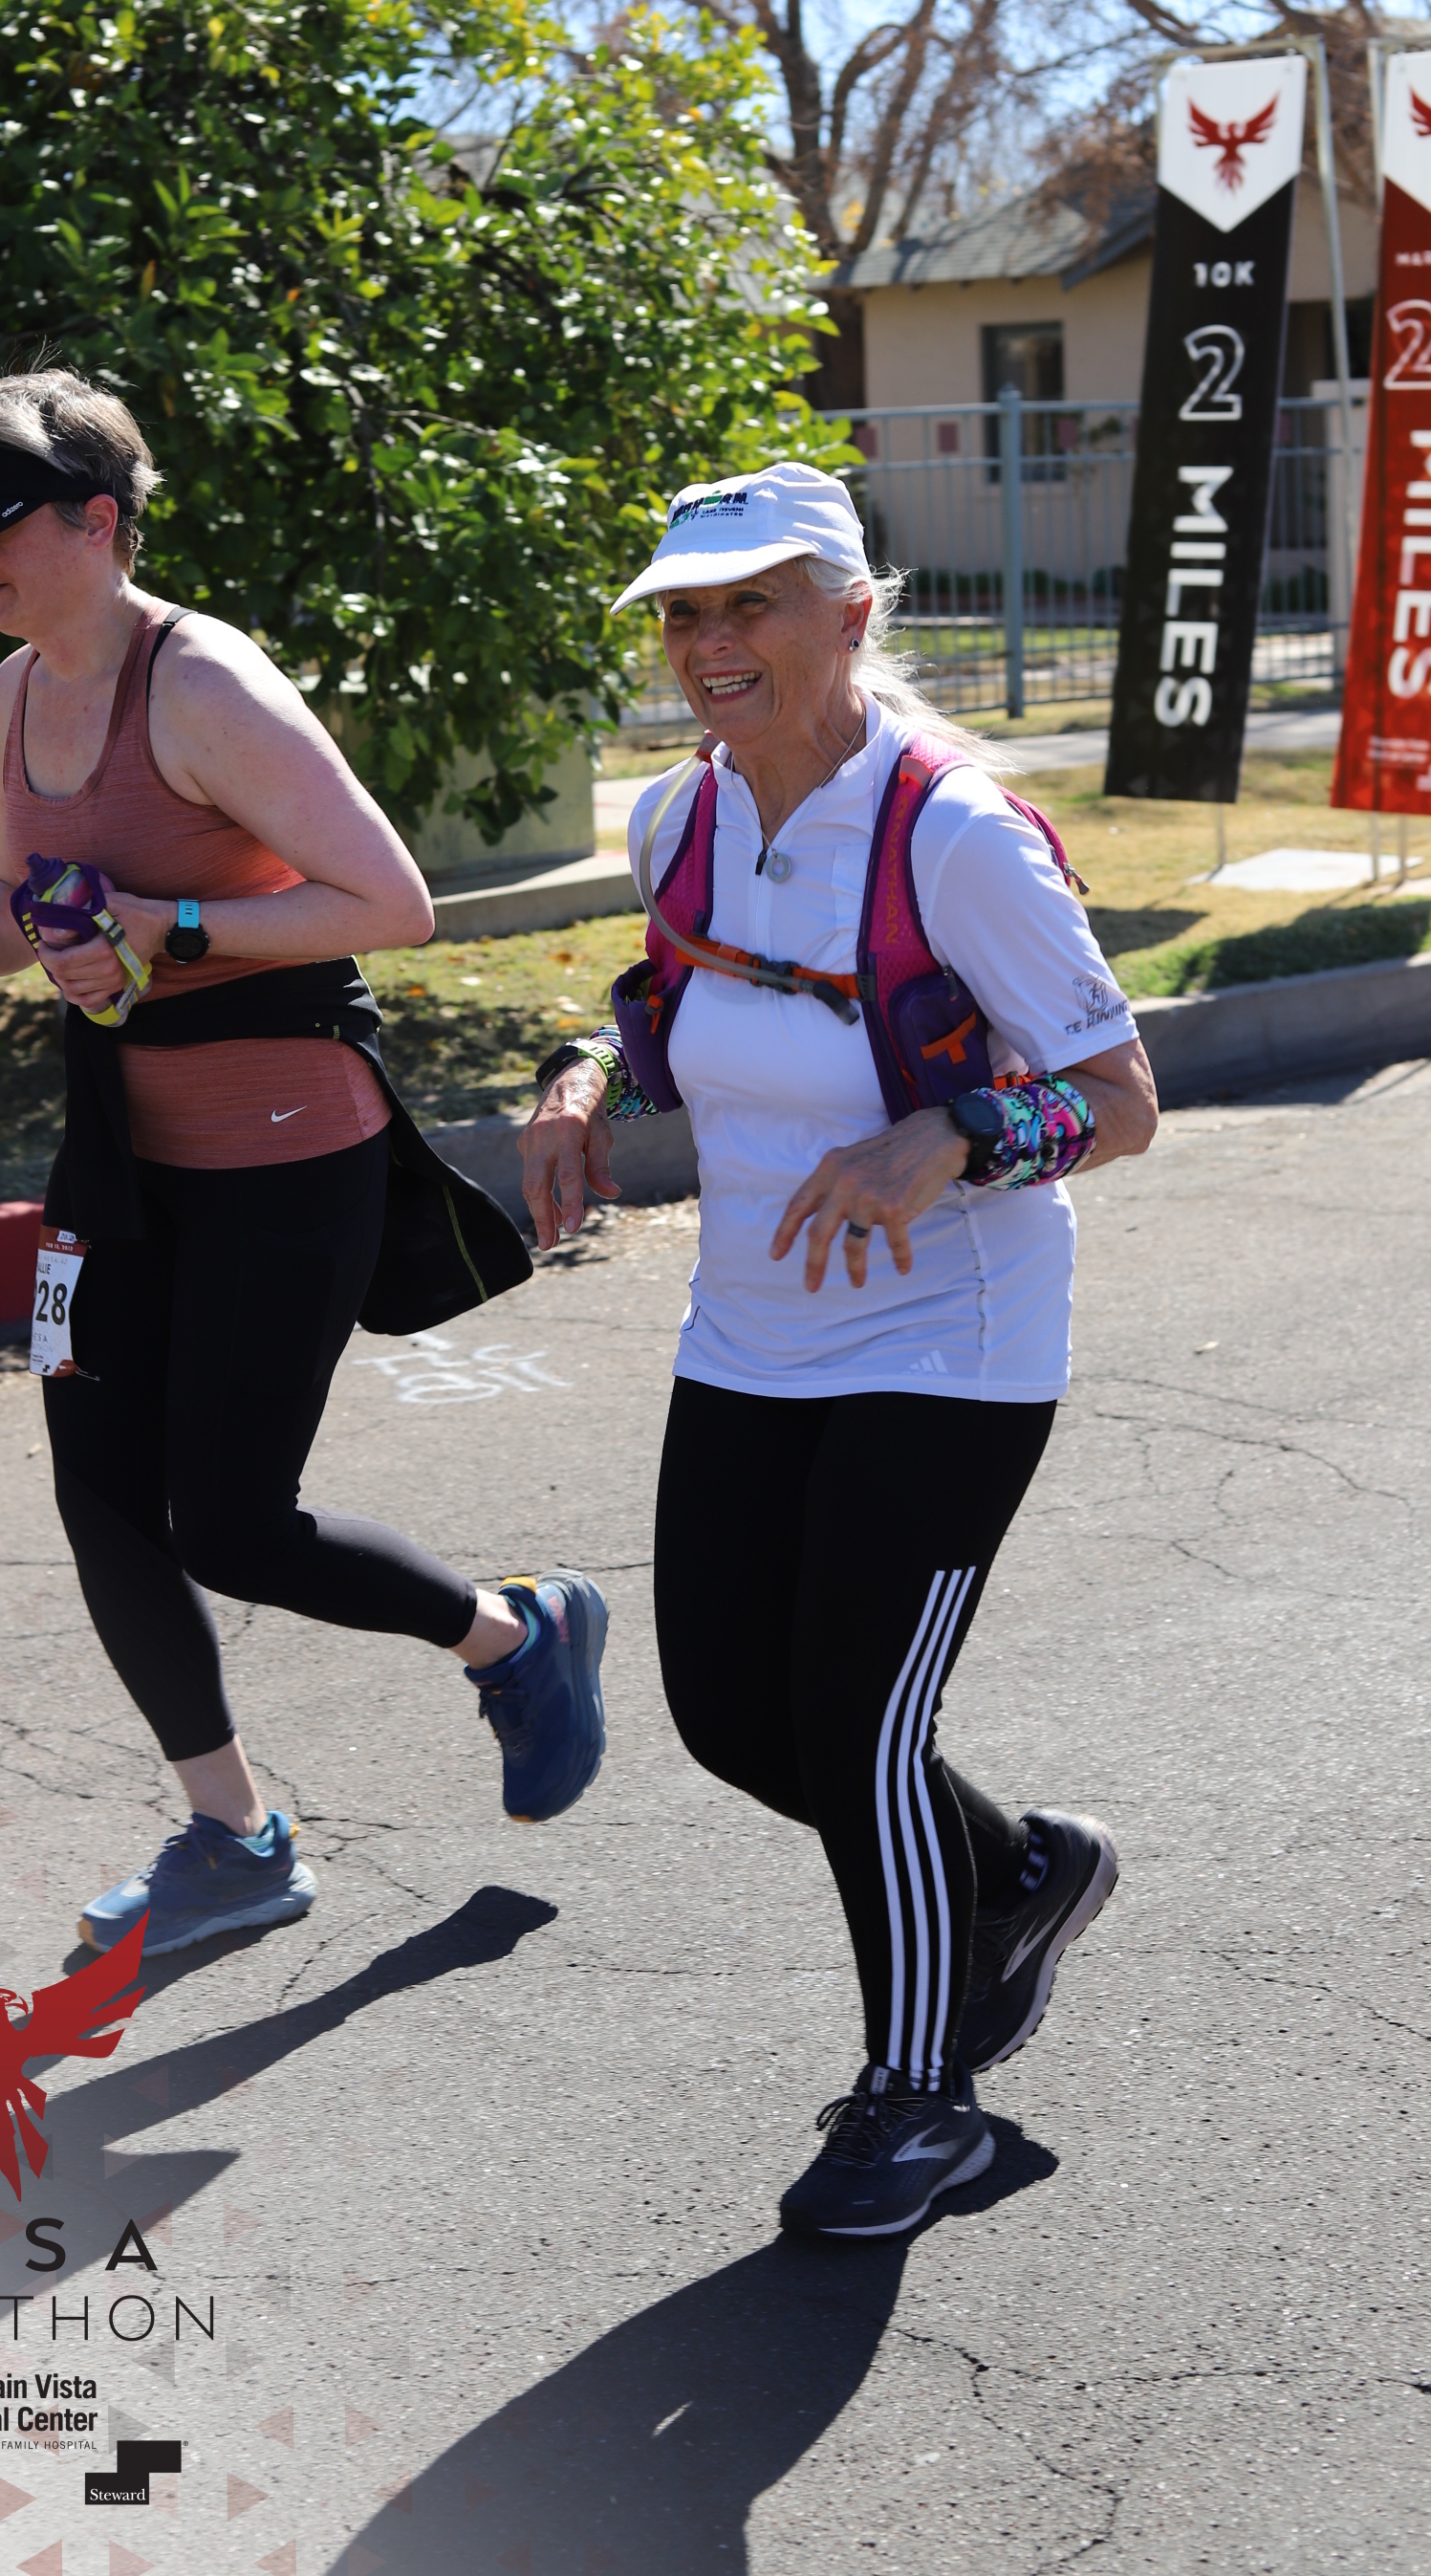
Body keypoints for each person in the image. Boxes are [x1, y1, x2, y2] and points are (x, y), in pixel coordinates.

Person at [0, 364, 607, 1955]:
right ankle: (235, 1836)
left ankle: (514, 1635)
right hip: (118, 1157)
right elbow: (26, 904)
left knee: (234, 1522)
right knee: (103, 1501)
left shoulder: (202, 685)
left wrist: (168, 925)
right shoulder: (14, 692)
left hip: (285, 1152)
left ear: (97, 521)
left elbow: (390, 903)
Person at [520, 460, 1156, 2241]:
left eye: (754, 603)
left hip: (951, 1339)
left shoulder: (956, 836)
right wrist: (584, 1079)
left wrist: (950, 1135)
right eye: (685, 611)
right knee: (736, 1719)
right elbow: (671, 1001)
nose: (710, 642)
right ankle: (1016, 1874)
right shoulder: (681, 814)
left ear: (854, 612)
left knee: (862, 1723)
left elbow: (1119, 1101)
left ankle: (923, 2098)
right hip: (750, 1328)